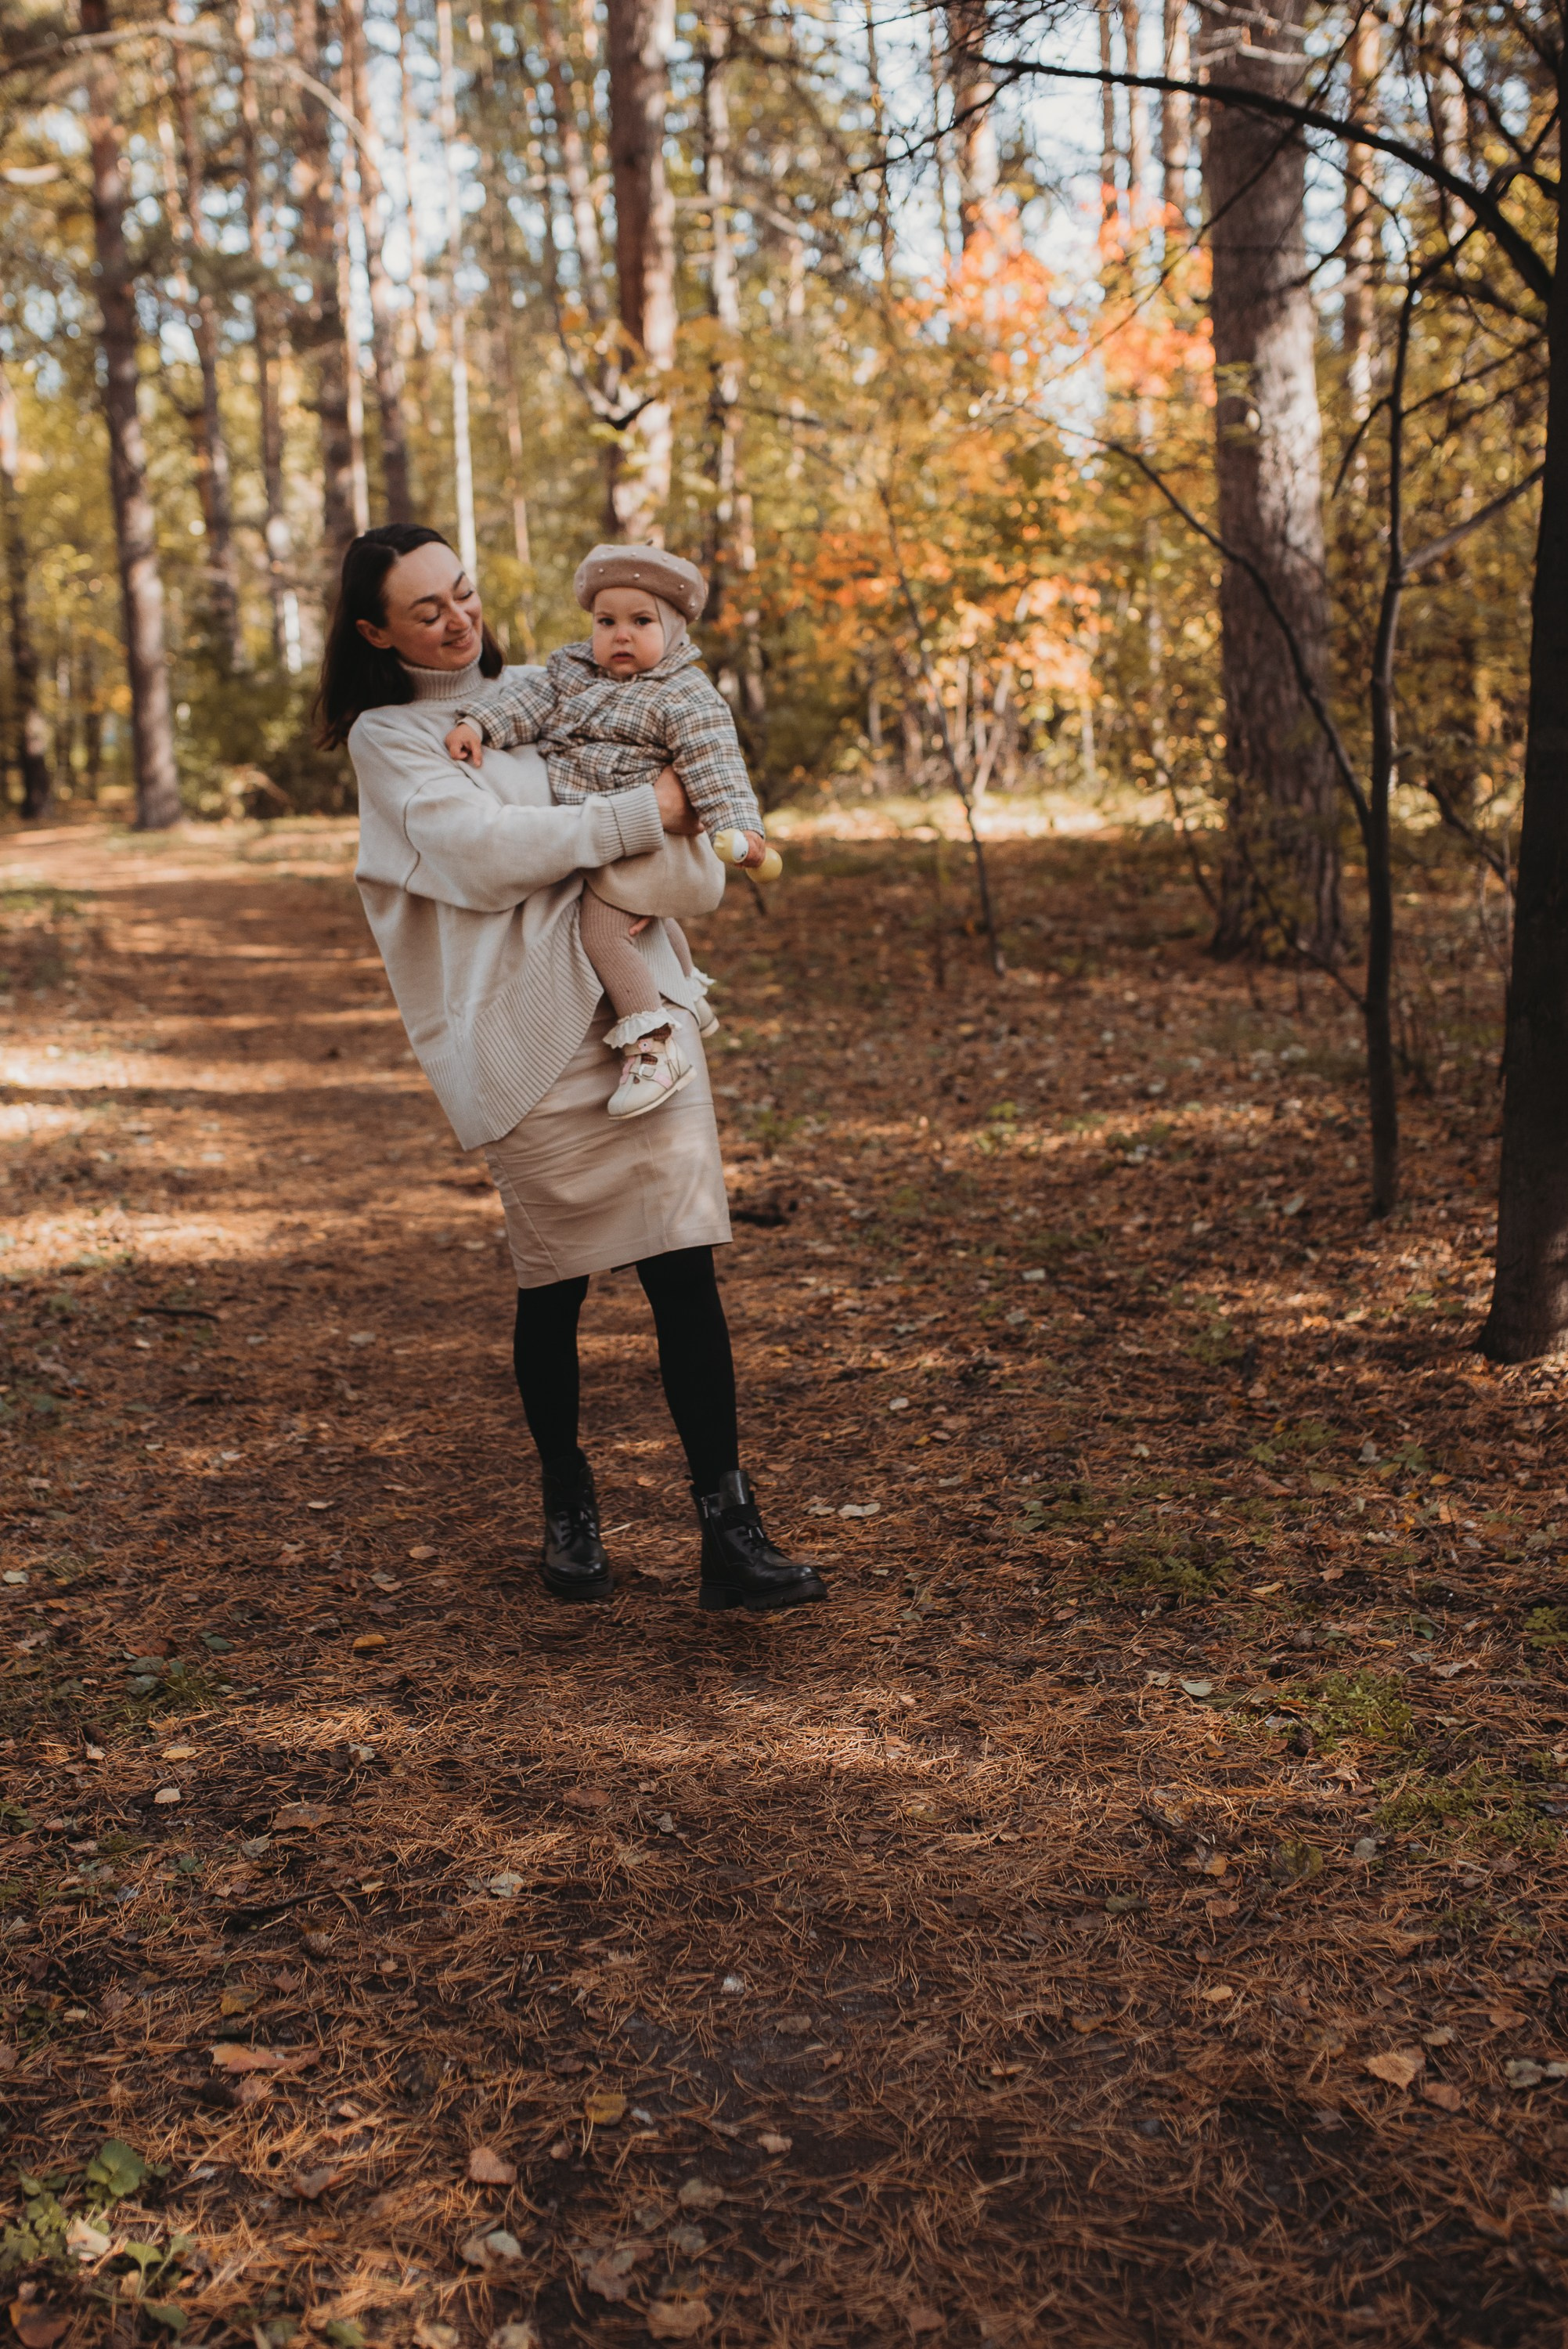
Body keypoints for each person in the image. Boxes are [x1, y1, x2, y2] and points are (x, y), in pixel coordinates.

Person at [317, 521, 827, 1615]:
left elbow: (688, 816)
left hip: (638, 1002)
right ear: (375, 631)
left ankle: (728, 1532)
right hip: (523, 1034)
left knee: (683, 1268)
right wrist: (645, 812)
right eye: (426, 611)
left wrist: (686, 824)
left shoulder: (564, 682)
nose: (459, 621)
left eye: (464, 593)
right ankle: (567, 1501)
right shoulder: (393, 737)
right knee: (553, 1285)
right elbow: (484, 857)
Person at [443, 544, 768, 1124]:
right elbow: (527, 701)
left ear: (672, 630)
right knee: (644, 922)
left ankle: (654, 1046)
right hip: (614, 829)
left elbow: (716, 763)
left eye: (640, 622)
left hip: (657, 843)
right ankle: (690, 995)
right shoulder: (570, 671)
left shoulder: (683, 694)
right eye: (606, 621)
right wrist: (478, 723)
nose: (620, 635)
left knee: (602, 930)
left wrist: (740, 829)